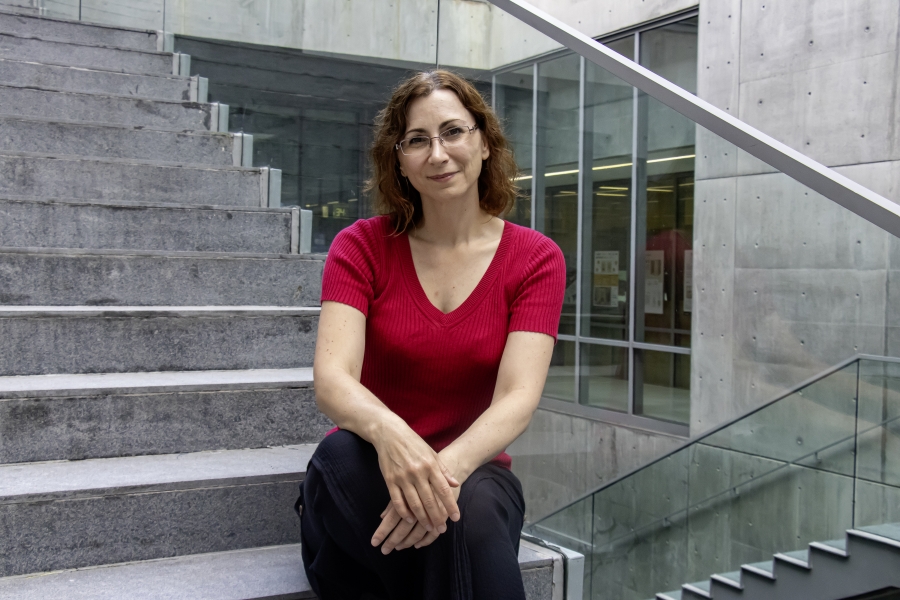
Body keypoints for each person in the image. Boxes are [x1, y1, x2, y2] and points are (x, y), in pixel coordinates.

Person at [297, 70, 566, 600]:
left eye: (453, 132)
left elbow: (518, 397)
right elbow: (332, 380)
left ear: (484, 142)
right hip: (368, 465)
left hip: (474, 468)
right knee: (341, 457)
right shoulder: (361, 246)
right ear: (398, 160)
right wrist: (393, 438)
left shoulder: (536, 259)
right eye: (417, 140)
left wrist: (440, 474)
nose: (438, 154)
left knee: (475, 514)